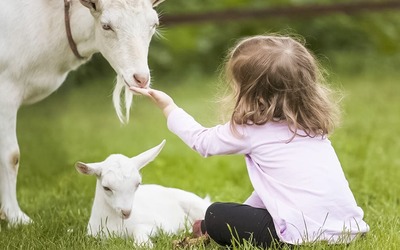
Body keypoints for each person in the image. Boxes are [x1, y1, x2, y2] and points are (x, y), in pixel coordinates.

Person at [130, 34, 369, 248]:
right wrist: (244, 212)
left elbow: (202, 141)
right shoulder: (313, 129)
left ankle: (208, 228)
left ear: (253, 93)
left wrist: (169, 107)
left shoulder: (252, 130)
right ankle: (209, 228)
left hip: (299, 235)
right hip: (346, 230)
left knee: (215, 214)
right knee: (227, 215)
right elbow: (274, 193)